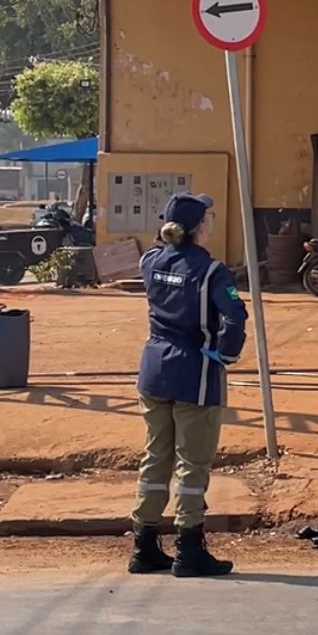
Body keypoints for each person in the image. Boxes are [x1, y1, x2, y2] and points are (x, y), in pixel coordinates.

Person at [129, 192, 247, 577]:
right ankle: (189, 548)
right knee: (192, 464)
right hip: (195, 372)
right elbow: (235, 316)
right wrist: (226, 355)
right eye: (206, 219)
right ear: (199, 227)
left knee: (155, 457)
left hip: (153, 369)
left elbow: (159, 251)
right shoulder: (210, 271)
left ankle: (144, 545)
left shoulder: (150, 260)